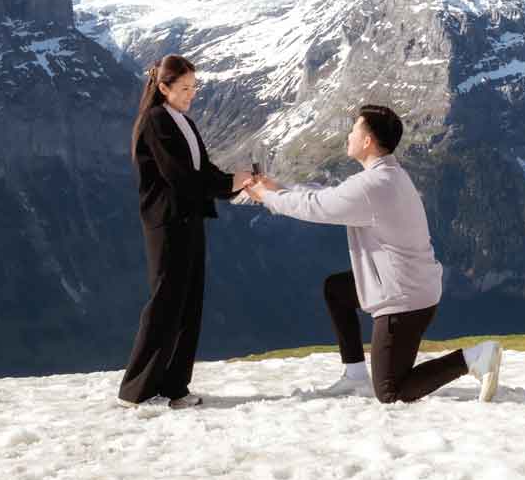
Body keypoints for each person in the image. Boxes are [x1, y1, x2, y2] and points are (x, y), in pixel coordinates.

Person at [239, 104, 503, 404]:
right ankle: (354, 373)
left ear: (367, 141)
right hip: (412, 283)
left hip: (404, 299)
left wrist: (268, 197)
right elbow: (328, 196)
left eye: (354, 129)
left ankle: (473, 357)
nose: (348, 134)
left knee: (392, 391)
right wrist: (279, 188)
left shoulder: (374, 185)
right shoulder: (386, 174)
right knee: (337, 290)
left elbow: (317, 207)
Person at [117, 54, 238, 408]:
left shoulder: (182, 121)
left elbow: (204, 169)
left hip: (189, 220)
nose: (191, 94)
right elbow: (181, 176)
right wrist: (229, 183)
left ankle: (175, 387)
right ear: (164, 87)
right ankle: (136, 391)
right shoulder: (156, 121)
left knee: (188, 304)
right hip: (167, 222)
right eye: (185, 88)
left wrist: (236, 182)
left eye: (194, 87)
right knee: (166, 302)